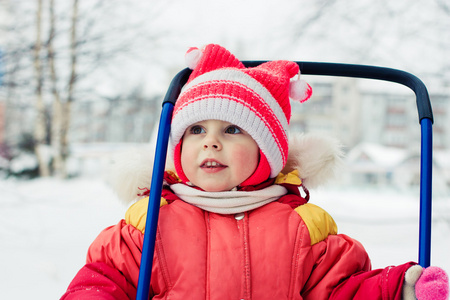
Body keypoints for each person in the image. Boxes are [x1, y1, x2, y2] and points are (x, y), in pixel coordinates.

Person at [61, 44, 449, 300]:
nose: (211, 143)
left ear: (266, 154)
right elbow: (103, 279)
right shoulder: (149, 223)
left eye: (232, 130)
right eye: (196, 130)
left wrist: (401, 288)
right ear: (176, 148)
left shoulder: (302, 226)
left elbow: (341, 290)